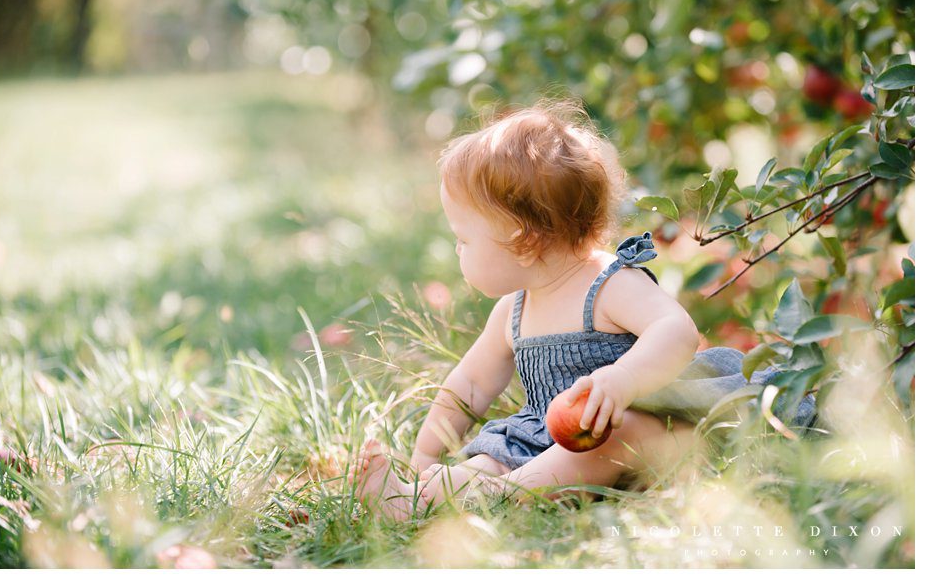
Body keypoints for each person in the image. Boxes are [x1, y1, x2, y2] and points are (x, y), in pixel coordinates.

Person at [349, 99, 816, 521]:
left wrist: (623, 380)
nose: (457, 249)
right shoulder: (513, 310)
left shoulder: (608, 284)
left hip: (644, 430)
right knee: (485, 458)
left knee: (608, 439)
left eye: (464, 239)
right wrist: (426, 455)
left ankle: (502, 495)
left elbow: (676, 331)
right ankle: (416, 494)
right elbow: (468, 387)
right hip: (546, 440)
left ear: (523, 241)